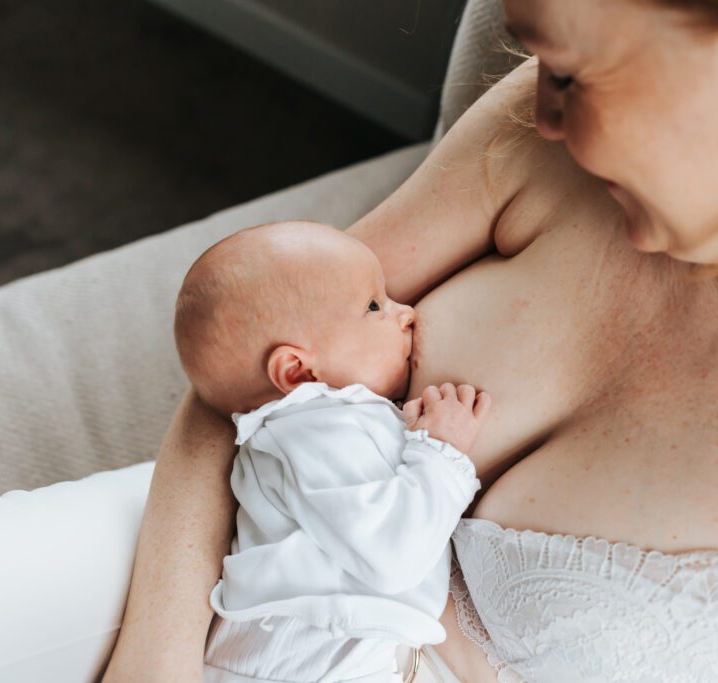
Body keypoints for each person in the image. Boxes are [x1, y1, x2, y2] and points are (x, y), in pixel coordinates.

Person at [105, 0, 718, 680]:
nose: (540, 109)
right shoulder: (544, 145)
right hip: (224, 609)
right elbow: (255, 360)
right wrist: (155, 665)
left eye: (570, 74)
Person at [172, 221, 487, 681]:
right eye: (374, 305)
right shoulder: (315, 427)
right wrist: (441, 449)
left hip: (311, 646)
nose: (407, 313)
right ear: (299, 372)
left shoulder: (318, 425)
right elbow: (390, 554)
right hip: (311, 652)